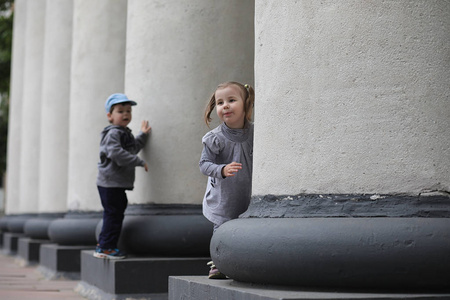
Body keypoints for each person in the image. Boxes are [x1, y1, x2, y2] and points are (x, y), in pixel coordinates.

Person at [199, 81, 255, 279]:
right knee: (221, 229)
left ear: (246, 104)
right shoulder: (215, 138)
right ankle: (218, 262)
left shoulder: (255, 132)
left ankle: (242, 262)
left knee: (247, 229)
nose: (225, 106)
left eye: (232, 100)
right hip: (224, 196)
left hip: (247, 194)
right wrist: (222, 169)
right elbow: (204, 165)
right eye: (220, 102)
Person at [94, 93, 152, 259]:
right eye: (120, 111)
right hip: (109, 183)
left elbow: (132, 148)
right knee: (113, 214)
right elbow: (116, 153)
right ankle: (106, 247)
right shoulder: (113, 133)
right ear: (110, 116)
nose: (126, 114)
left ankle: (105, 245)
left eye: (128, 110)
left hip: (115, 184)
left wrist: (143, 135)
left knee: (115, 213)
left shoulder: (124, 132)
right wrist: (139, 162)